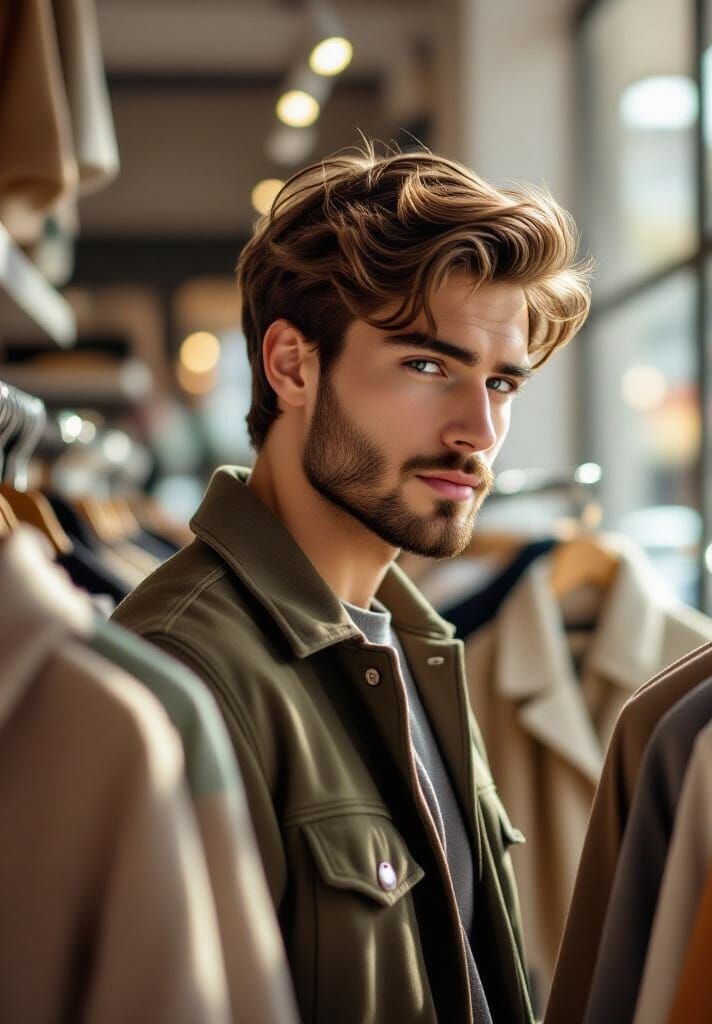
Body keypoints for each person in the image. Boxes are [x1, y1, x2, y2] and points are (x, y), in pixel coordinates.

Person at [112, 145, 592, 1024]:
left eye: (501, 383)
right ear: (292, 366)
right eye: (427, 366)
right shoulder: (179, 673)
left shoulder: (419, 645)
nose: (478, 431)